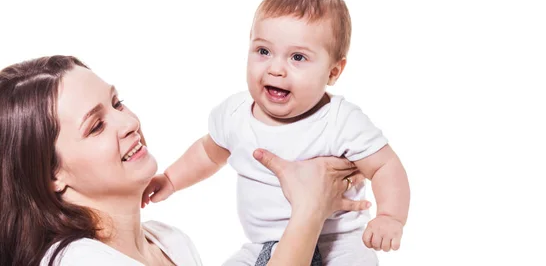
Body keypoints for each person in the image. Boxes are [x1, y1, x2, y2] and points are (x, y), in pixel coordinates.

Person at [0, 55, 369, 266]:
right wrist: (308, 211)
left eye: (117, 103)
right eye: (96, 126)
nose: (129, 122)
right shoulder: (77, 262)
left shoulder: (170, 242)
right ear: (52, 175)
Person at [144, 0, 410, 265]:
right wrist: (171, 179)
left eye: (297, 57)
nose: (275, 68)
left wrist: (389, 217)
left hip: (339, 243)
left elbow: (385, 166)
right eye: (263, 51)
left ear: (333, 72)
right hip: (263, 245)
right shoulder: (235, 114)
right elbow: (208, 153)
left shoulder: (340, 121)